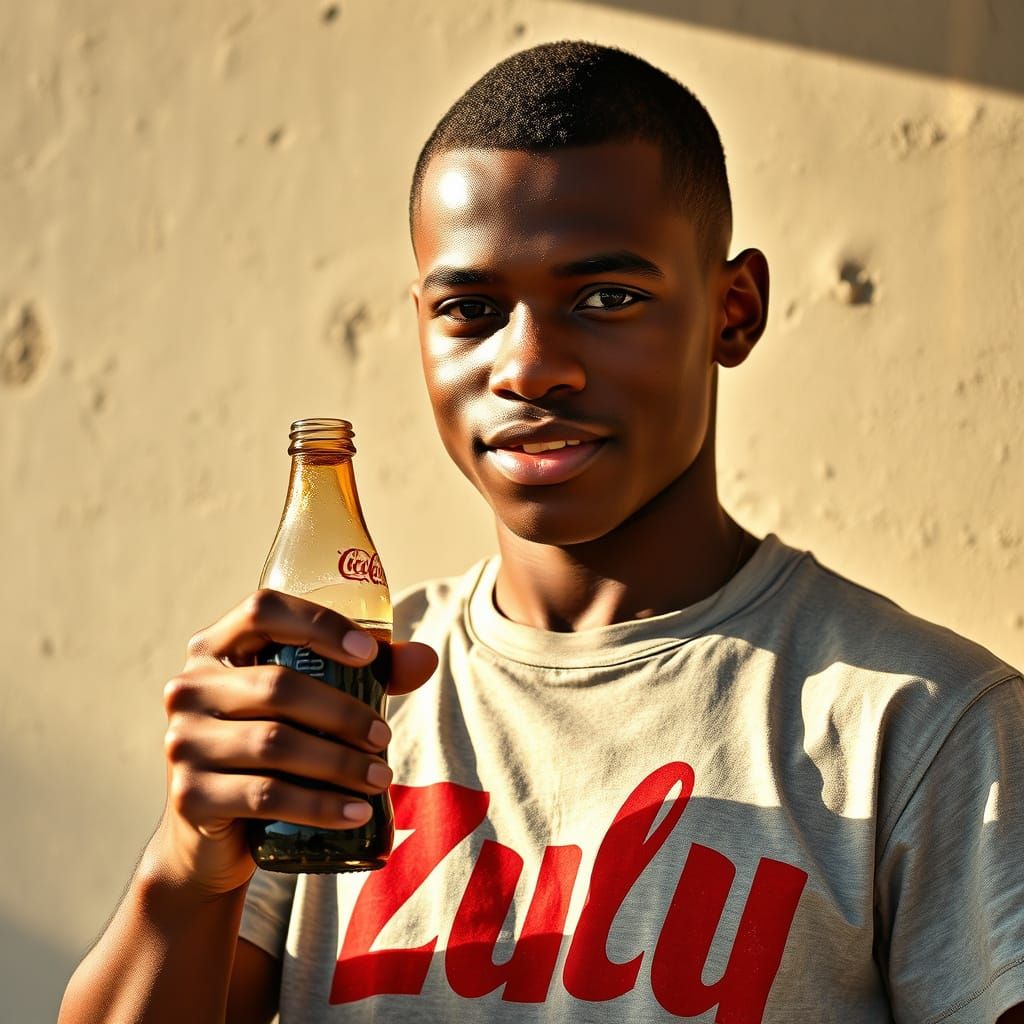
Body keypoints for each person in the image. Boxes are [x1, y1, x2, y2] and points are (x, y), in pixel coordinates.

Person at [60, 41, 1024, 1024]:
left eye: (607, 298)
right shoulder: (333, 706)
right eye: (470, 310)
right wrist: (187, 864)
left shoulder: (923, 726)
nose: (528, 367)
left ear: (732, 312)